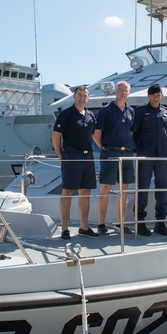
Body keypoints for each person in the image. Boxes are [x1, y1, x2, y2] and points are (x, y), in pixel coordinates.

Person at [51, 85, 98, 239]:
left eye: (85, 95)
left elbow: (93, 135)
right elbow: (55, 136)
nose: (82, 98)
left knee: (85, 191)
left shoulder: (90, 115)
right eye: (79, 94)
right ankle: (65, 228)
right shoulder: (66, 114)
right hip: (72, 156)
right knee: (68, 191)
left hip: (88, 157)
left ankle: (83, 226)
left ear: (88, 98)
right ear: (74, 96)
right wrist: (61, 156)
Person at [92, 80, 135, 236]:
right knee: (105, 188)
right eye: (120, 90)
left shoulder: (131, 111)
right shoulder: (105, 111)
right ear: (115, 91)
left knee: (124, 189)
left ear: (129, 93)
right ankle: (101, 224)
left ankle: (119, 223)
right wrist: (104, 147)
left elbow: (131, 133)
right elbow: (96, 134)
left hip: (127, 154)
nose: (123, 93)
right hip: (110, 153)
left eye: (126, 90)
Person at [131, 83, 167, 236]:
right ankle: (140, 222)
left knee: (162, 190)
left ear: (162, 96)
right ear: (148, 96)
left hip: (161, 157)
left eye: (158, 95)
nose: (156, 98)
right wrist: (139, 149)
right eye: (153, 95)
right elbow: (133, 133)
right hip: (145, 156)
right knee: (142, 189)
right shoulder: (140, 111)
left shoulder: (166, 112)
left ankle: (160, 222)